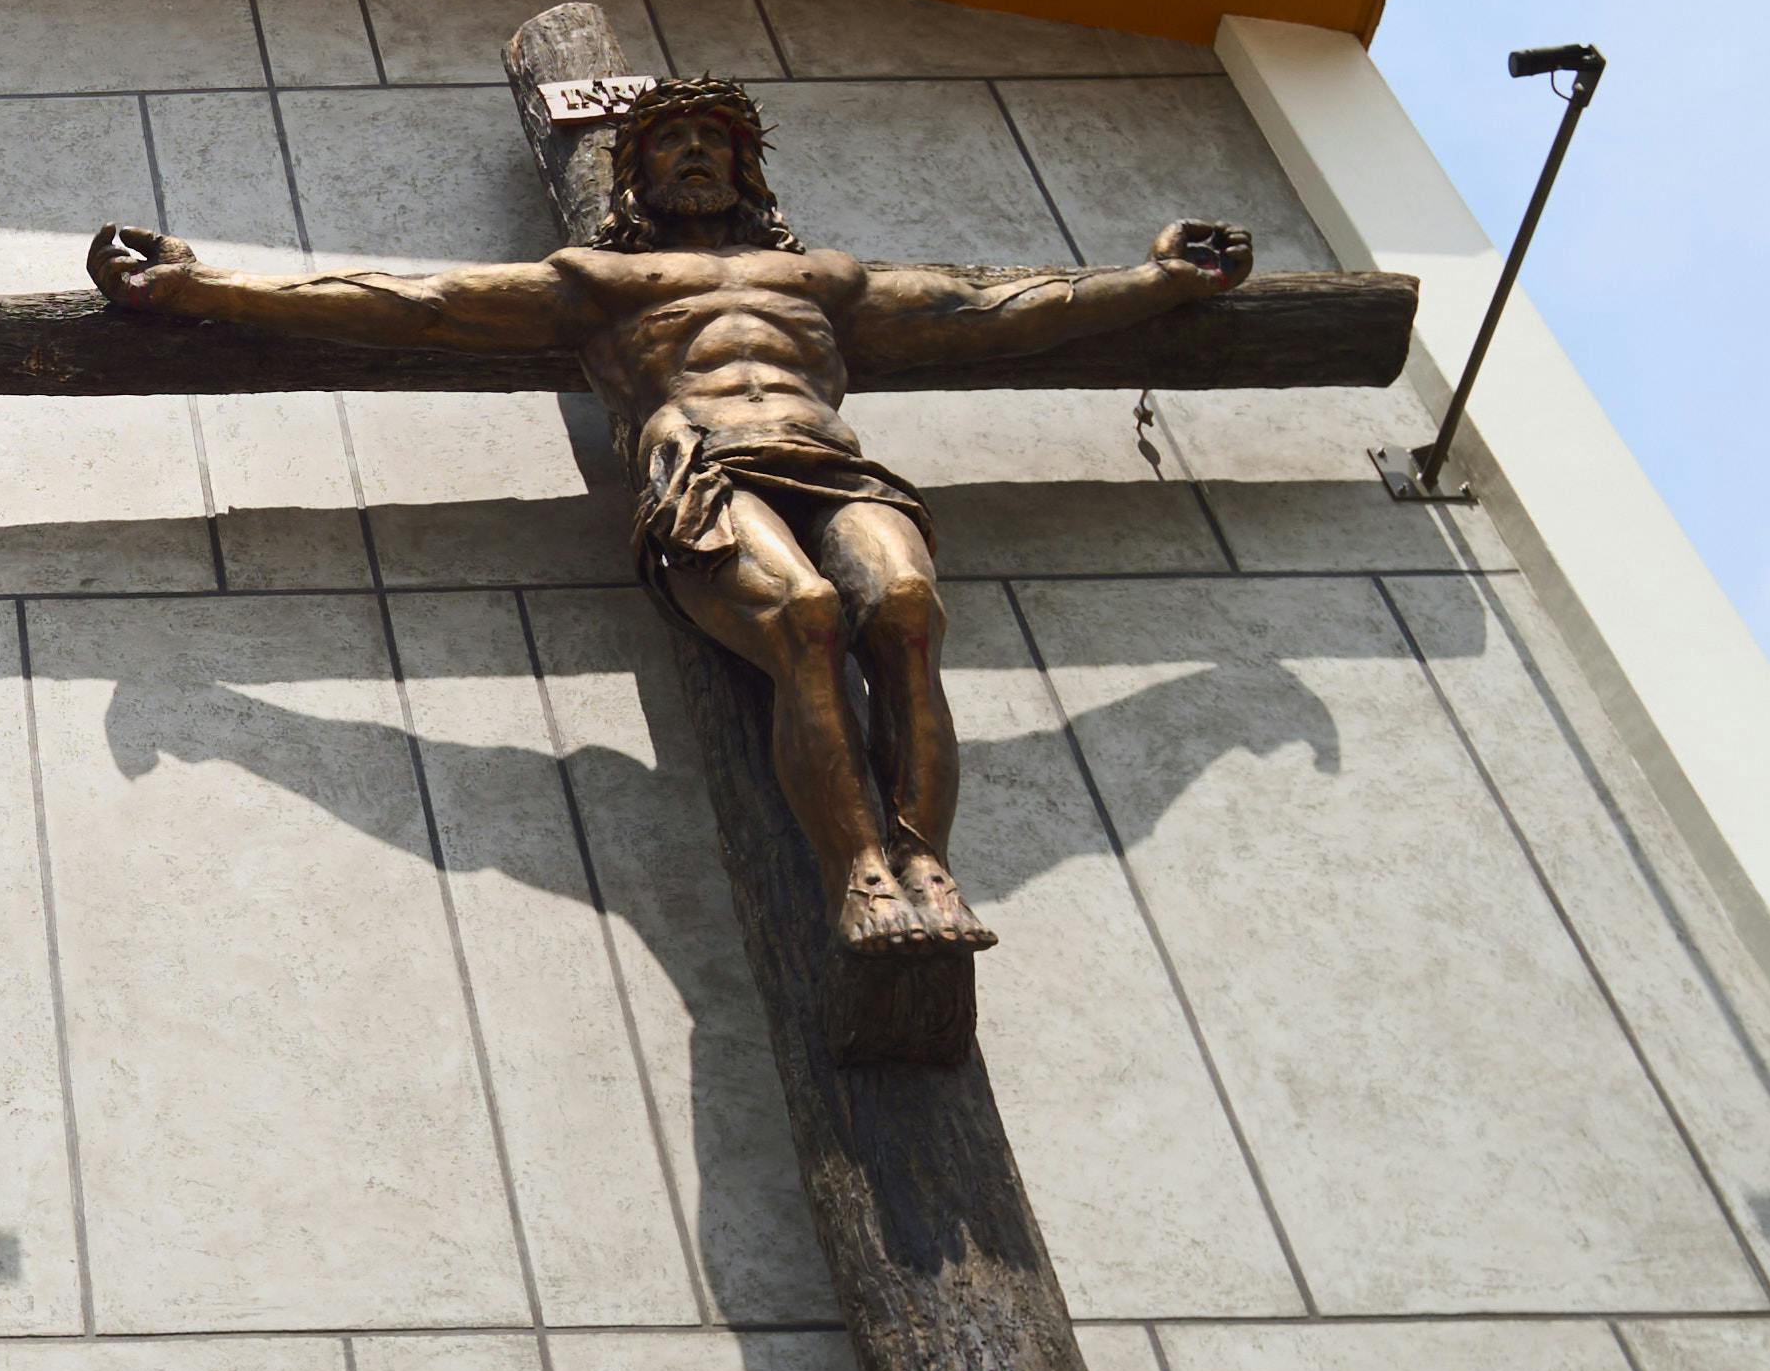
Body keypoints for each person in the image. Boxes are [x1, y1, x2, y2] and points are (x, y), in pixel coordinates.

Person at [85, 81, 1249, 952]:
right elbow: (414, 302)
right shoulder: (599, 283)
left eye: (715, 143)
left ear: (749, 171)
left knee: (903, 606)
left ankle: (928, 868)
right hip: (705, 472)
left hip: (834, 466)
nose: (695, 155)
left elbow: (992, 309)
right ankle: (859, 872)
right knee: (804, 617)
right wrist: (201, 284)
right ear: (633, 179)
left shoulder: (823, 280)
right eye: (670, 144)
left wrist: (1156, 282)